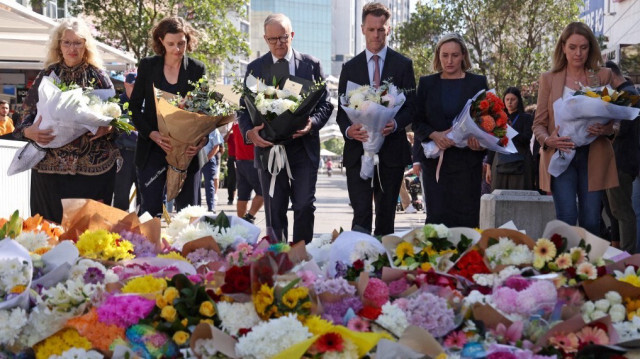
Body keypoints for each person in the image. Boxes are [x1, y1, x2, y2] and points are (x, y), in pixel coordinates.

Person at [238, 13, 333, 243]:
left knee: (304, 205)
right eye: (272, 40)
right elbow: (243, 109)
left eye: (283, 38)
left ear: (292, 35)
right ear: (265, 39)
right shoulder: (255, 68)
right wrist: (250, 133)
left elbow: (326, 103)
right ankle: (278, 260)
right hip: (269, 149)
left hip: (303, 147)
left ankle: (302, 256)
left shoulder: (311, 65)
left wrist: (313, 123)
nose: (279, 44)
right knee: (274, 210)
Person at [15, 18, 118, 223]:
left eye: (78, 42)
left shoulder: (98, 76)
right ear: (58, 46)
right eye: (67, 42)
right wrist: (29, 132)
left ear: (86, 46)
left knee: (87, 233)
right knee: (48, 231)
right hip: (48, 168)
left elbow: (118, 120)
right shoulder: (47, 75)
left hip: (91, 169)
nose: (72, 48)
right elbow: (23, 116)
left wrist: (108, 128)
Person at [337, 2, 416, 236]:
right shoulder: (349, 67)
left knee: (386, 215)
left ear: (388, 30)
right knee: (360, 214)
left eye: (381, 29)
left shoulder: (403, 65)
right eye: (371, 29)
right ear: (362, 29)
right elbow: (342, 111)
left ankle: (383, 267)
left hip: (391, 152)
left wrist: (397, 123)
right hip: (357, 152)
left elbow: (412, 105)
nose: (376, 35)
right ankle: (358, 265)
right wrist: (349, 131)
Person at [532, 22, 615, 235]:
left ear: (591, 48)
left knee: (591, 220)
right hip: (562, 153)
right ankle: (564, 266)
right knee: (567, 218)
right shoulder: (549, 79)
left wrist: (606, 129)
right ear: (563, 48)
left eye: (584, 47)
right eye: (572, 47)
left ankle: (589, 267)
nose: (578, 53)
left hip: (594, 154)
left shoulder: (603, 76)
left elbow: (617, 119)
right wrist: (548, 140)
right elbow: (538, 124)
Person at [129, 16, 207, 217]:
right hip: (153, 148)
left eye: (182, 43)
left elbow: (205, 112)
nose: (177, 49)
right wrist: (152, 134)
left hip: (187, 152)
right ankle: (148, 249)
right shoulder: (147, 66)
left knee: (188, 214)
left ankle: (189, 249)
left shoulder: (198, 69)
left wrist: (199, 141)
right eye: (171, 44)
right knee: (149, 213)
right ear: (161, 41)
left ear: (188, 41)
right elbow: (135, 108)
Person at [413, 33, 488, 228]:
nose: (449, 60)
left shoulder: (477, 83)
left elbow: (488, 121)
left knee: (467, 221)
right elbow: (416, 120)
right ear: (438, 56)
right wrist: (434, 135)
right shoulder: (427, 83)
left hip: (468, 165)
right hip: (436, 165)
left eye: (454, 55)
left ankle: (467, 259)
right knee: (437, 221)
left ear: (463, 55)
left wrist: (480, 143)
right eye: (444, 55)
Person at [605, 60, 639, 253]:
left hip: (622, 161)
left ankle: (627, 256)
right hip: (619, 160)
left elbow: (621, 129)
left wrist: (605, 128)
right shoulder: (625, 94)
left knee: (622, 211)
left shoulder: (629, 95)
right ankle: (621, 253)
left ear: (611, 74)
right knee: (615, 210)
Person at [485, 87, 534, 191]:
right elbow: (492, 143)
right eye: (507, 99)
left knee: (519, 195)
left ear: (518, 100)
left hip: (521, 161)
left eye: (513, 99)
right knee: (498, 195)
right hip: (499, 161)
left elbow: (526, 139)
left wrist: (511, 130)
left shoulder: (526, 118)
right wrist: (488, 167)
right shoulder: (498, 118)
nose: (510, 102)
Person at [112, 72, 139, 211]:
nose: (136, 88)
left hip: (142, 155)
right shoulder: (116, 104)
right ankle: (120, 229)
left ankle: (144, 228)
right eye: (133, 85)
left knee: (144, 197)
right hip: (123, 155)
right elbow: (119, 130)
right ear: (125, 85)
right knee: (121, 195)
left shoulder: (146, 102)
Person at [231, 121, 264, 223]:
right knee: (263, 191)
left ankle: (241, 222)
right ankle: (249, 217)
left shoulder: (237, 123)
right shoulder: (252, 124)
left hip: (240, 160)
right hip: (252, 160)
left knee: (243, 194)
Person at [201, 128, 224, 213]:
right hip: (196, 159)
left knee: (209, 183)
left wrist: (207, 158)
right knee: (195, 184)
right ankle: (196, 206)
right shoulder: (196, 127)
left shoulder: (213, 130)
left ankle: (211, 207)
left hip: (208, 160)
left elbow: (217, 147)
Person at [225, 126, 237, 205]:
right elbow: (224, 139)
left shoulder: (243, 135)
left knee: (239, 180)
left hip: (241, 158)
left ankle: (235, 197)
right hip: (232, 158)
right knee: (231, 180)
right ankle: (231, 198)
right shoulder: (231, 135)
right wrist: (230, 130)